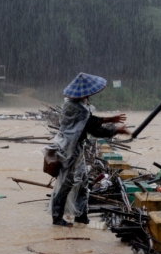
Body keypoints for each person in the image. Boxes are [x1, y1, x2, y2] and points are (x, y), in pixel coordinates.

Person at [49, 72, 130, 227]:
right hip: (68, 149)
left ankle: (81, 215)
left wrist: (109, 120)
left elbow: (89, 120)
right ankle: (57, 218)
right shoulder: (76, 107)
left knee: (83, 180)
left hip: (75, 147)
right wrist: (115, 130)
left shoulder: (74, 104)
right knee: (67, 182)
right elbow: (93, 128)